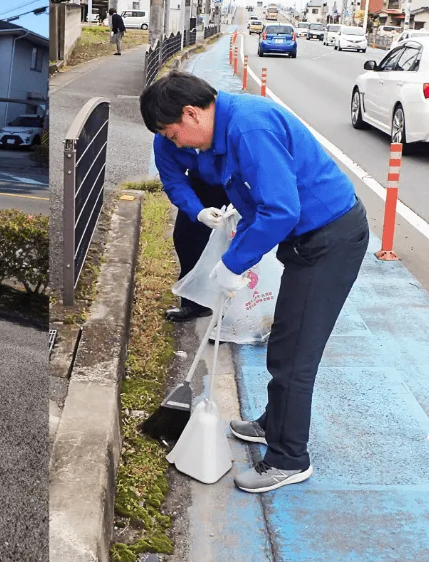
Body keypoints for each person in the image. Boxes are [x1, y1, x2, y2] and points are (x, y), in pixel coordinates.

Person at [140, 72, 369, 493]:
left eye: (174, 134)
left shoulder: (249, 125)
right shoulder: (226, 127)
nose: (175, 145)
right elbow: (257, 208)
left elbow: (280, 211)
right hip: (307, 240)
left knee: (295, 356)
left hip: (329, 239)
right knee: (285, 341)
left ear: (191, 113)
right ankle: (273, 424)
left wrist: (235, 264)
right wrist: (230, 260)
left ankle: (289, 458)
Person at [153, 135, 230, 322]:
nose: (176, 142)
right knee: (186, 238)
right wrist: (198, 212)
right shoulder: (164, 137)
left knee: (241, 240)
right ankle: (195, 304)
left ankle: (233, 320)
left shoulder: (226, 123)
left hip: (238, 179)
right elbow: (174, 181)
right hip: (202, 181)